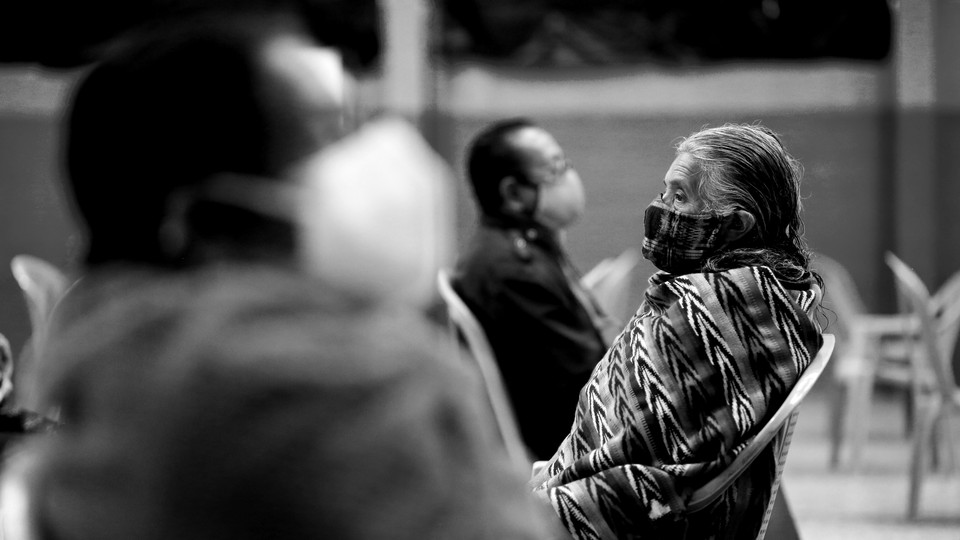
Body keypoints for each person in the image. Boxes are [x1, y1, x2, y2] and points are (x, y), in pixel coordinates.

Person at [6, 11, 558, 540]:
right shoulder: (341, 401)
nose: (345, 178)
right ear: (195, 219)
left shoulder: (100, 378)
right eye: (313, 149)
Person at [529, 123, 824, 539]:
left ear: (736, 225)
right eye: (664, 190)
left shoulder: (711, 308)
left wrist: (554, 481)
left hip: (656, 517)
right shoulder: (758, 296)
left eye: (680, 196)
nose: (660, 207)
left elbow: (636, 449)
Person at [452, 118, 621, 461]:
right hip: (566, 449)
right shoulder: (513, 271)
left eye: (566, 164)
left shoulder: (519, 246)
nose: (569, 180)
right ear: (513, 193)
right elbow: (584, 381)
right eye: (555, 170)